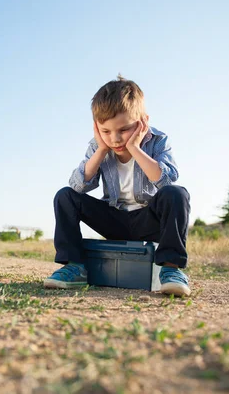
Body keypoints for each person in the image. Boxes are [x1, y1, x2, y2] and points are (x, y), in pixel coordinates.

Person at [44, 75, 191, 296]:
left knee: (177, 193)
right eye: (106, 131)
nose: (115, 139)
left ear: (143, 122)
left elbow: (167, 180)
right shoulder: (99, 146)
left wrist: (135, 148)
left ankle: (171, 269)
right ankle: (74, 266)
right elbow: (78, 186)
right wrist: (102, 150)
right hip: (114, 218)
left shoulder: (158, 140)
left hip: (146, 220)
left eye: (123, 130)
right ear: (97, 128)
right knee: (65, 196)